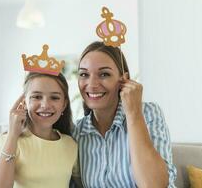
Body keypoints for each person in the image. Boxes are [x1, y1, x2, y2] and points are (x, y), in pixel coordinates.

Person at [72, 41, 177, 188]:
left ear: (124, 79)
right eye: (84, 74)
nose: (92, 84)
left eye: (104, 74)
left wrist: (133, 114)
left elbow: (154, 185)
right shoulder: (77, 132)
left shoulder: (148, 114)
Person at [0, 72, 81, 188]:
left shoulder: (71, 144)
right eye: (36, 97)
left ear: (64, 104)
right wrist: (12, 135)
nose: (45, 105)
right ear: (24, 102)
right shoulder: (7, 141)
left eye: (55, 97)